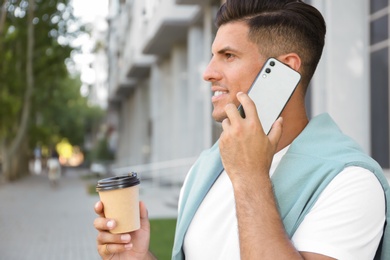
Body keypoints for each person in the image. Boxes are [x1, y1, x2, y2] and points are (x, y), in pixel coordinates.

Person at [94, 0, 390, 259]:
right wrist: (137, 257)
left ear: (286, 68)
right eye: (213, 56)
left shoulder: (351, 181)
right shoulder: (206, 168)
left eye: (228, 56)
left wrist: (250, 176)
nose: (208, 72)